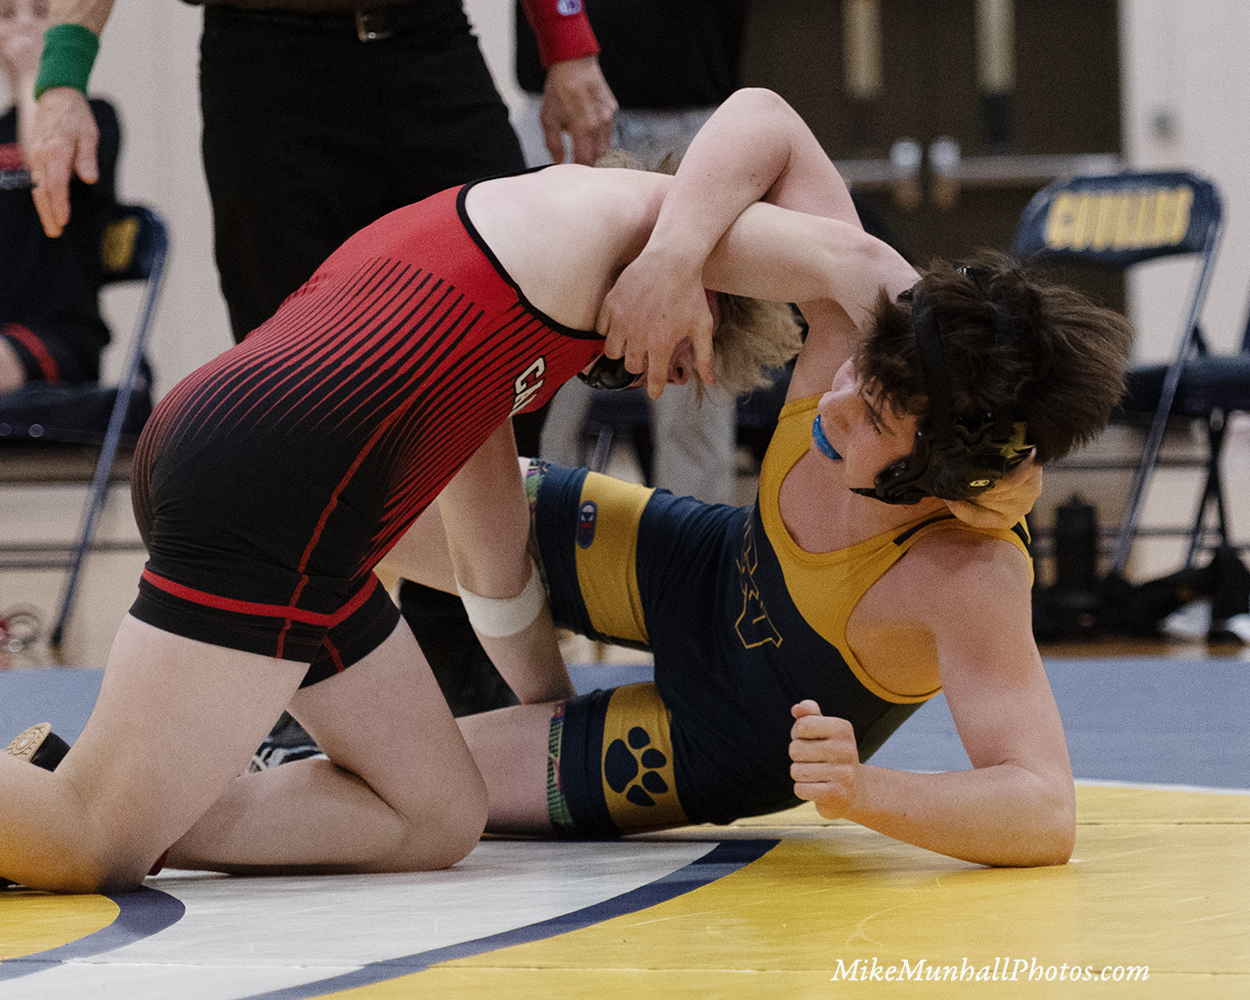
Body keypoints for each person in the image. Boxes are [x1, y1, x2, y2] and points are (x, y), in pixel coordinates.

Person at [0, 89, 845, 894]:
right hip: (275, 482)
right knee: (91, 841)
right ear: (702, 288)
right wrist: (694, 259)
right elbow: (767, 121)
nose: (659, 378)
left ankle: (123, 803)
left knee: (436, 815)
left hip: (277, 478)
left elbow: (495, 565)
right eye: (691, 350)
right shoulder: (616, 220)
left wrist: (555, 714)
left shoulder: (523, 279)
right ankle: (92, 808)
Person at [375, 89, 1134, 868]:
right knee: (356, 497)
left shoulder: (968, 572)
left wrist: (863, 791)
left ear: (935, 477)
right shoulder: (873, 311)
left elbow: (1044, 810)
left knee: (397, 786)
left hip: (717, 739)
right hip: (696, 566)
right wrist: (672, 259)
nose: (833, 403)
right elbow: (766, 118)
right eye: (858, 374)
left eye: (871, 421)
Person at [27, 0, 616, 347]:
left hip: (432, 42)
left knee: (505, 316)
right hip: (267, 56)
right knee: (291, 350)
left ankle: (491, 525)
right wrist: (61, 81)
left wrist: (567, 42)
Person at [514, 0, 750, 506]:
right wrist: (565, 46)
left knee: (697, 387)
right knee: (534, 388)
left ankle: (696, 552)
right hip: (563, 97)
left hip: (692, 102)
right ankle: (525, 544)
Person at [0, 0, 116, 393]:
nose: (24, 25)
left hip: (58, 335)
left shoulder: (96, 119)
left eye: (40, 12)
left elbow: (45, 165)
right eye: (7, 15)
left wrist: (32, 73)